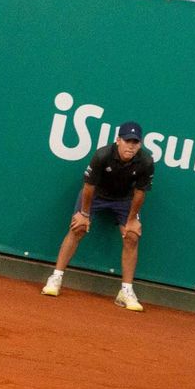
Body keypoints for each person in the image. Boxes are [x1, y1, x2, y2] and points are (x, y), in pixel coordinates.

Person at [39, 120, 153, 313]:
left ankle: (126, 291)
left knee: (132, 236)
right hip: (96, 194)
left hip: (124, 200)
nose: (131, 146)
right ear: (118, 140)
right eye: (127, 141)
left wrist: (132, 220)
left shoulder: (146, 162)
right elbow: (89, 186)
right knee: (78, 228)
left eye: (135, 142)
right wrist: (84, 213)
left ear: (140, 144)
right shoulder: (102, 155)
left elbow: (140, 192)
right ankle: (56, 277)